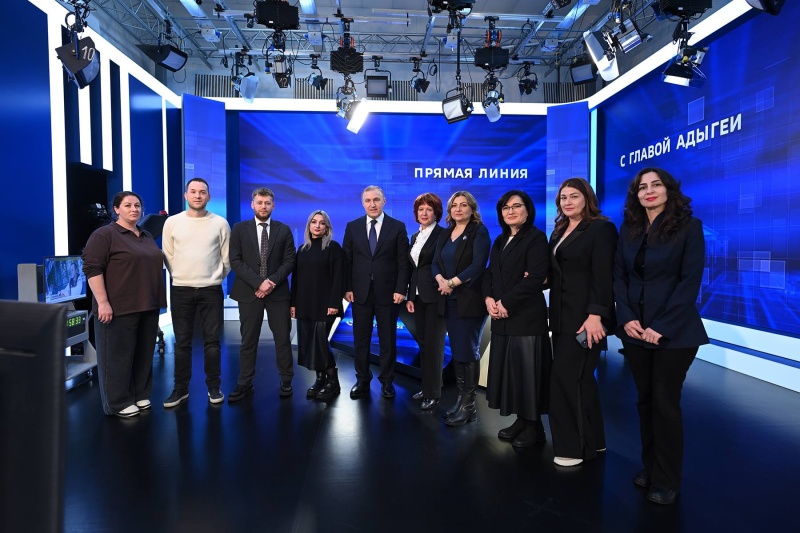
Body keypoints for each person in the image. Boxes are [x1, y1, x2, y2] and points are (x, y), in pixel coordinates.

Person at [613, 167, 708, 505]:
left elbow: (689, 282)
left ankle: (667, 479)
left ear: (669, 190)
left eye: (656, 185)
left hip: (674, 333)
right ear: (636, 195)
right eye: (642, 187)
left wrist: (662, 326)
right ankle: (651, 467)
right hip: (635, 331)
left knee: (665, 404)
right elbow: (619, 277)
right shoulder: (629, 229)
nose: (649, 191)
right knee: (645, 401)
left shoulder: (689, 227)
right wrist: (626, 318)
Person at [548, 178, 618, 466]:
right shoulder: (559, 231)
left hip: (585, 319)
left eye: (574, 196)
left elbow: (603, 276)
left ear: (587, 198)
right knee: (580, 381)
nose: (567, 202)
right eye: (563, 197)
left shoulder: (601, 229)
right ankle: (594, 441)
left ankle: (573, 449)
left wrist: (596, 315)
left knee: (568, 380)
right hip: (560, 318)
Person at [82, 191, 166, 418]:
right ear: (116, 209)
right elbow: (92, 269)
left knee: (143, 354)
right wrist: (103, 303)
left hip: (148, 304)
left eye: (137, 205)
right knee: (117, 356)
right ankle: (117, 402)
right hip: (118, 307)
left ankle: (140, 394)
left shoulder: (146, 235)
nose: (134, 209)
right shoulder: (104, 235)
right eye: (127, 205)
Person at [482, 190, 550, 445]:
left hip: (526, 317)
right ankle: (522, 419)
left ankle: (534, 426)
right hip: (502, 318)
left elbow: (535, 277)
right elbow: (489, 274)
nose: (510, 211)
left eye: (516, 206)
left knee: (528, 373)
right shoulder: (500, 240)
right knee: (513, 373)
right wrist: (489, 299)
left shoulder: (536, 238)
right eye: (505, 207)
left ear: (527, 210)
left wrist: (506, 302)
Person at [161, 178, 231, 407]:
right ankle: (180, 389)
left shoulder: (220, 223)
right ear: (186, 195)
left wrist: (214, 278)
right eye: (193, 191)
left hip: (211, 290)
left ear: (209, 196)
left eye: (202, 192)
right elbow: (168, 255)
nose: (198, 196)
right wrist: (181, 276)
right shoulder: (172, 222)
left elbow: (227, 258)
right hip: (181, 289)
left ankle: (214, 387)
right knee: (182, 343)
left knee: (212, 342)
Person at [343, 185, 411, 399]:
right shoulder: (352, 227)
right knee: (360, 340)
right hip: (360, 294)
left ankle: (387, 381)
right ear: (362, 203)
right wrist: (347, 287)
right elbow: (347, 261)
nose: (372, 204)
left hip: (389, 294)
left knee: (387, 340)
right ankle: (362, 380)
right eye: (368, 200)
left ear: (384, 201)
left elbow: (403, 263)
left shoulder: (397, 227)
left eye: (376, 200)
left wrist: (401, 289)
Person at [228, 187, 296, 400]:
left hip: (278, 293)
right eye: (259, 202)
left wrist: (271, 282)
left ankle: (286, 381)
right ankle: (245, 382)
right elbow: (235, 260)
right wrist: (259, 283)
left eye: (267, 203)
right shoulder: (239, 229)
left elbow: (289, 261)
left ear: (273, 205)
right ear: (252, 204)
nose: (263, 206)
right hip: (249, 292)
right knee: (248, 340)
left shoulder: (283, 230)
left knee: (282, 339)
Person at [432, 191, 490, 427]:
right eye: (454, 205)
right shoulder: (445, 233)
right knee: (458, 352)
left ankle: (469, 406)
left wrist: (452, 283)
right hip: (448, 300)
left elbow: (478, 265)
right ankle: (461, 401)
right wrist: (440, 280)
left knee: (468, 351)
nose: (458, 209)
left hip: (469, 300)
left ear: (472, 208)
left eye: (463, 205)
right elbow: (435, 262)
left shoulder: (479, 231)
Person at [290, 210, 345, 400]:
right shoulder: (302, 249)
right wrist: (293, 303)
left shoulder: (333, 248)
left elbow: (339, 278)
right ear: (309, 225)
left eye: (322, 223)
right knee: (309, 343)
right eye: (314, 222)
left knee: (320, 343)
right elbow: (296, 279)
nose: (317, 226)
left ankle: (333, 381)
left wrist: (334, 303)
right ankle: (320, 379)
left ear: (327, 227)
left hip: (326, 305)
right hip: (305, 304)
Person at [406, 193, 446, 410]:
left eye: (429, 209)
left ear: (436, 212)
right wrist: (411, 296)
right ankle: (427, 387)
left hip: (436, 297)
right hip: (418, 297)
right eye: (420, 209)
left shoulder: (443, 234)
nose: (424, 213)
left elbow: (443, 265)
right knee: (424, 345)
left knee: (434, 346)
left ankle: (434, 393)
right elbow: (414, 270)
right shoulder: (415, 236)